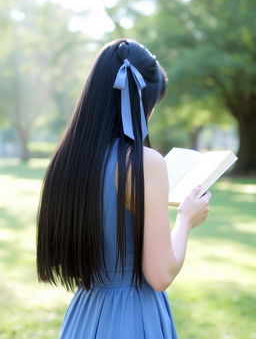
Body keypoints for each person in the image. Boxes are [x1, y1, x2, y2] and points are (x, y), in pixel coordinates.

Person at [36, 38, 212, 339]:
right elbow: (159, 275)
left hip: (84, 316)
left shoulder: (65, 161)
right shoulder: (144, 163)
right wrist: (186, 219)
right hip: (134, 315)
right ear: (141, 101)